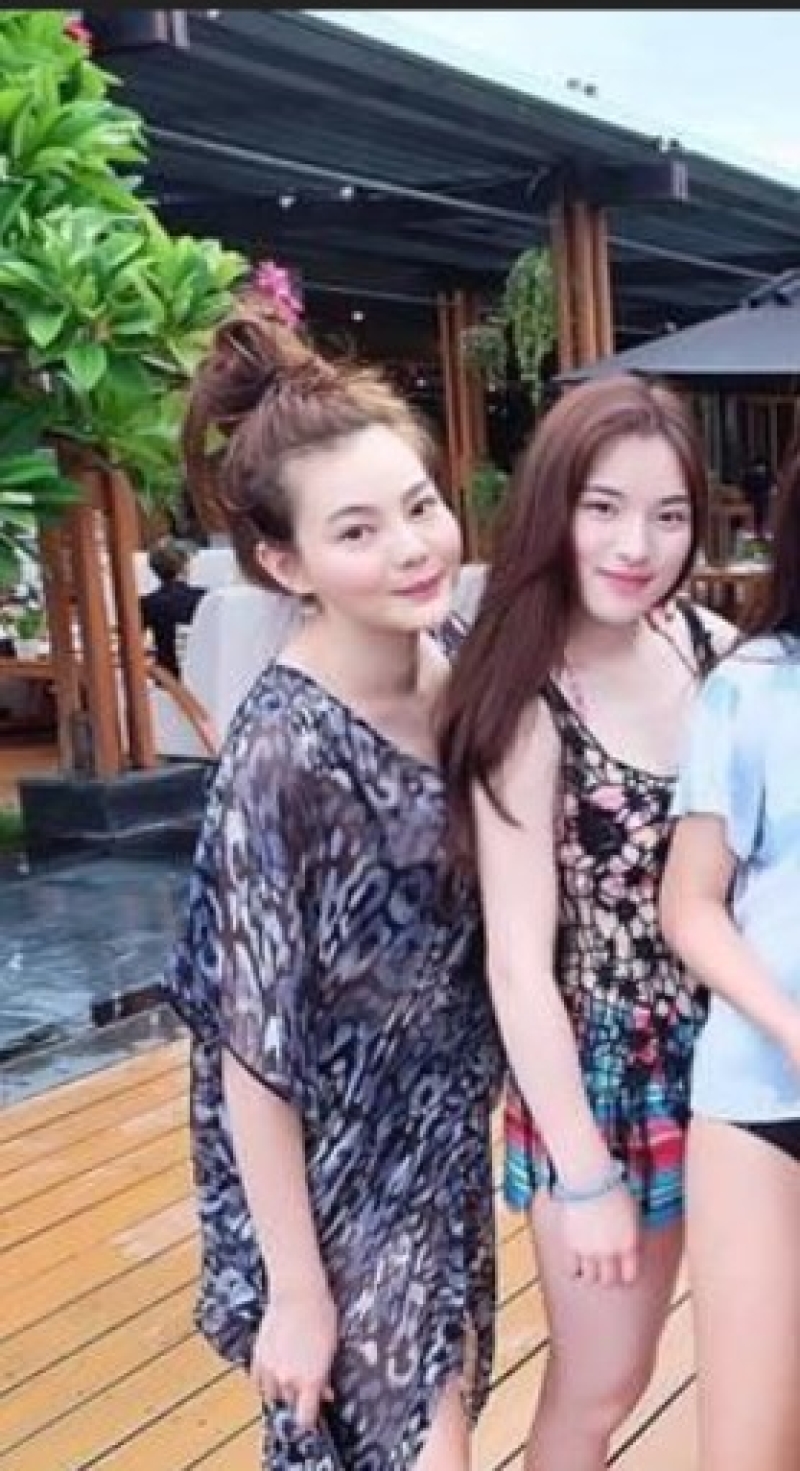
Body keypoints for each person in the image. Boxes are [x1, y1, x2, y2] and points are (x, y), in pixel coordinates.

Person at [164, 294, 504, 1471]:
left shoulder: (450, 663)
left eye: (418, 505)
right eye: (355, 530)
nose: (410, 545)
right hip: (330, 1165)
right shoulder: (281, 756)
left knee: (429, 1421)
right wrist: (296, 1291)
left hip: (436, 1133)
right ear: (284, 561)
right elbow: (249, 1049)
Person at [439, 375, 733, 1471]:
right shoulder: (528, 699)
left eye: (668, 514)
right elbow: (518, 965)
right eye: (602, 507)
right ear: (552, 508)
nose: (635, 545)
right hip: (607, 1082)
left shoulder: (707, 647)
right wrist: (585, 1175)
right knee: (602, 1382)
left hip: (737, 1050)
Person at [660, 436, 800, 1471]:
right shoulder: (750, 689)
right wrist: (791, 1027)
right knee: (750, 1446)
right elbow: (691, 903)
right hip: (762, 1099)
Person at [139, 535, 205, 677]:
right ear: (184, 565)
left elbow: (135, 642)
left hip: (167, 677)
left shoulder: (148, 603)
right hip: (200, 674)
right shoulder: (204, 597)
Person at [739, 452, 774, 540]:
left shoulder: (766, 475)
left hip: (759, 500)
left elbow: (771, 485)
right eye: (759, 466)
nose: (760, 469)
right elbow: (744, 486)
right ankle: (757, 531)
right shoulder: (751, 475)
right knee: (758, 514)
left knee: (761, 514)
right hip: (755, 500)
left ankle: (760, 531)